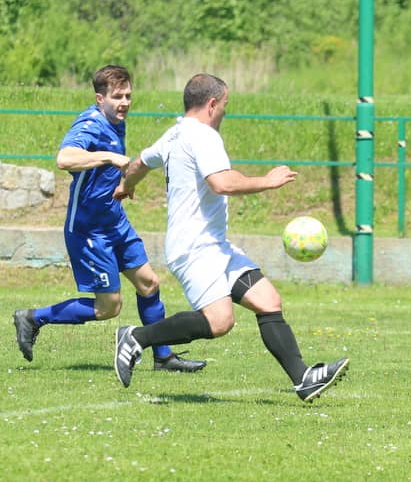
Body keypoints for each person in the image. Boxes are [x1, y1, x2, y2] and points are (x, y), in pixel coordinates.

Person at [112, 73, 348, 401]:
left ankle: (303, 379)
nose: (224, 111)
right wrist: (267, 181)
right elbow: (221, 183)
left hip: (214, 245)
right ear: (212, 104)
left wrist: (127, 185)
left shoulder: (175, 133)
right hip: (195, 248)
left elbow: (140, 162)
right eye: (225, 105)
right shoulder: (204, 137)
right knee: (220, 322)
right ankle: (137, 337)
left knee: (268, 301)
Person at [11, 65, 206, 373]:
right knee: (109, 307)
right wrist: (108, 157)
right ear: (100, 98)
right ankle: (33, 318)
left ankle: (164, 357)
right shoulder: (91, 123)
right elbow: (64, 158)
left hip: (114, 220)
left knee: (149, 283)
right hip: (89, 229)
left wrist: (122, 185)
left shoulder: (117, 121)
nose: (125, 102)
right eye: (118, 97)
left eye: (128, 95)